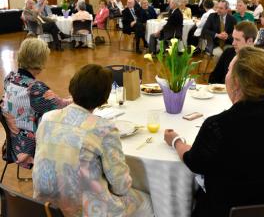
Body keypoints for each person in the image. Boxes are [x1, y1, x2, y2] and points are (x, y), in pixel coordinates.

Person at [165, 46, 264, 217]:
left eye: (229, 70)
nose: (226, 75)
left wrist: (176, 141)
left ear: (237, 82)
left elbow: (194, 161)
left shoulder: (218, 126)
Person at [32, 64, 153, 217]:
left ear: (72, 87)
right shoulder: (103, 129)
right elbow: (120, 186)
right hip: (85, 211)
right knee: (148, 202)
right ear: (104, 98)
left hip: (48, 205)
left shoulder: (48, 118)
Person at [0, 38, 71, 168]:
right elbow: (61, 107)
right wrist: (76, 98)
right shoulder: (35, 88)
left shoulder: (10, 78)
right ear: (40, 62)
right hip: (30, 147)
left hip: (14, 142)